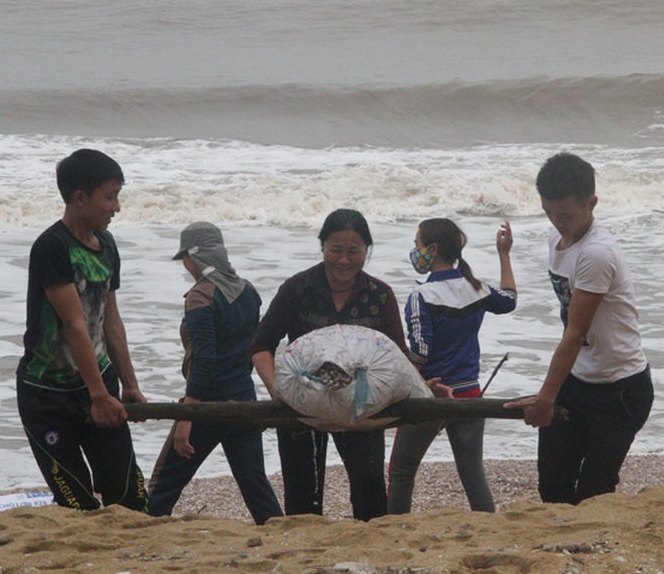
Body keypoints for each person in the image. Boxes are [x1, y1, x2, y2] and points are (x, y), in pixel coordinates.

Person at [505, 152, 653, 505]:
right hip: (577, 380)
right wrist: (552, 393)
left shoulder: (597, 253)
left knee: (594, 494)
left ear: (592, 203)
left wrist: (545, 397)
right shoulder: (557, 242)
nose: (557, 222)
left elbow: (574, 333)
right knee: (553, 488)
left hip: (620, 390)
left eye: (566, 214)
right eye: (548, 213)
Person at [251, 209, 413, 521]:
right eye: (335, 250)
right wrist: (277, 390)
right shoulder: (298, 289)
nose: (343, 260)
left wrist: (423, 386)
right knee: (302, 497)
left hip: (360, 403)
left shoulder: (379, 295)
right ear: (322, 246)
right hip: (303, 401)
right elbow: (261, 344)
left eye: (354, 251)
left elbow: (397, 355)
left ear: (367, 250)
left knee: (370, 489)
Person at [16, 148, 148, 512]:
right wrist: (98, 396)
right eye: (110, 197)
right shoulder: (52, 247)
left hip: (99, 381)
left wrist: (129, 384)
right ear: (79, 198)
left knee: (131, 499)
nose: (116, 207)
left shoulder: (106, 245)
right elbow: (75, 326)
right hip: (47, 395)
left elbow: (110, 320)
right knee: (77, 503)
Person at [146, 222, 283, 524]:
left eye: (184, 256)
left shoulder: (200, 297)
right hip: (244, 404)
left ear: (193, 258)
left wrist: (186, 417)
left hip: (207, 408)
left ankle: (144, 541)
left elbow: (204, 362)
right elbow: (249, 351)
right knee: (256, 490)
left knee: (161, 490)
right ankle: (282, 536)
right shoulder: (249, 292)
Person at [387, 218, 517, 514]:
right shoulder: (477, 287)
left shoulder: (422, 296)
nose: (414, 250)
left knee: (402, 473)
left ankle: (396, 530)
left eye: (416, 244)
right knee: (473, 474)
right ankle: (488, 528)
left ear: (431, 249)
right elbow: (509, 300)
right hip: (470, 396)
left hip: (432, 397)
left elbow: (420, 353)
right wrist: (504, 255)